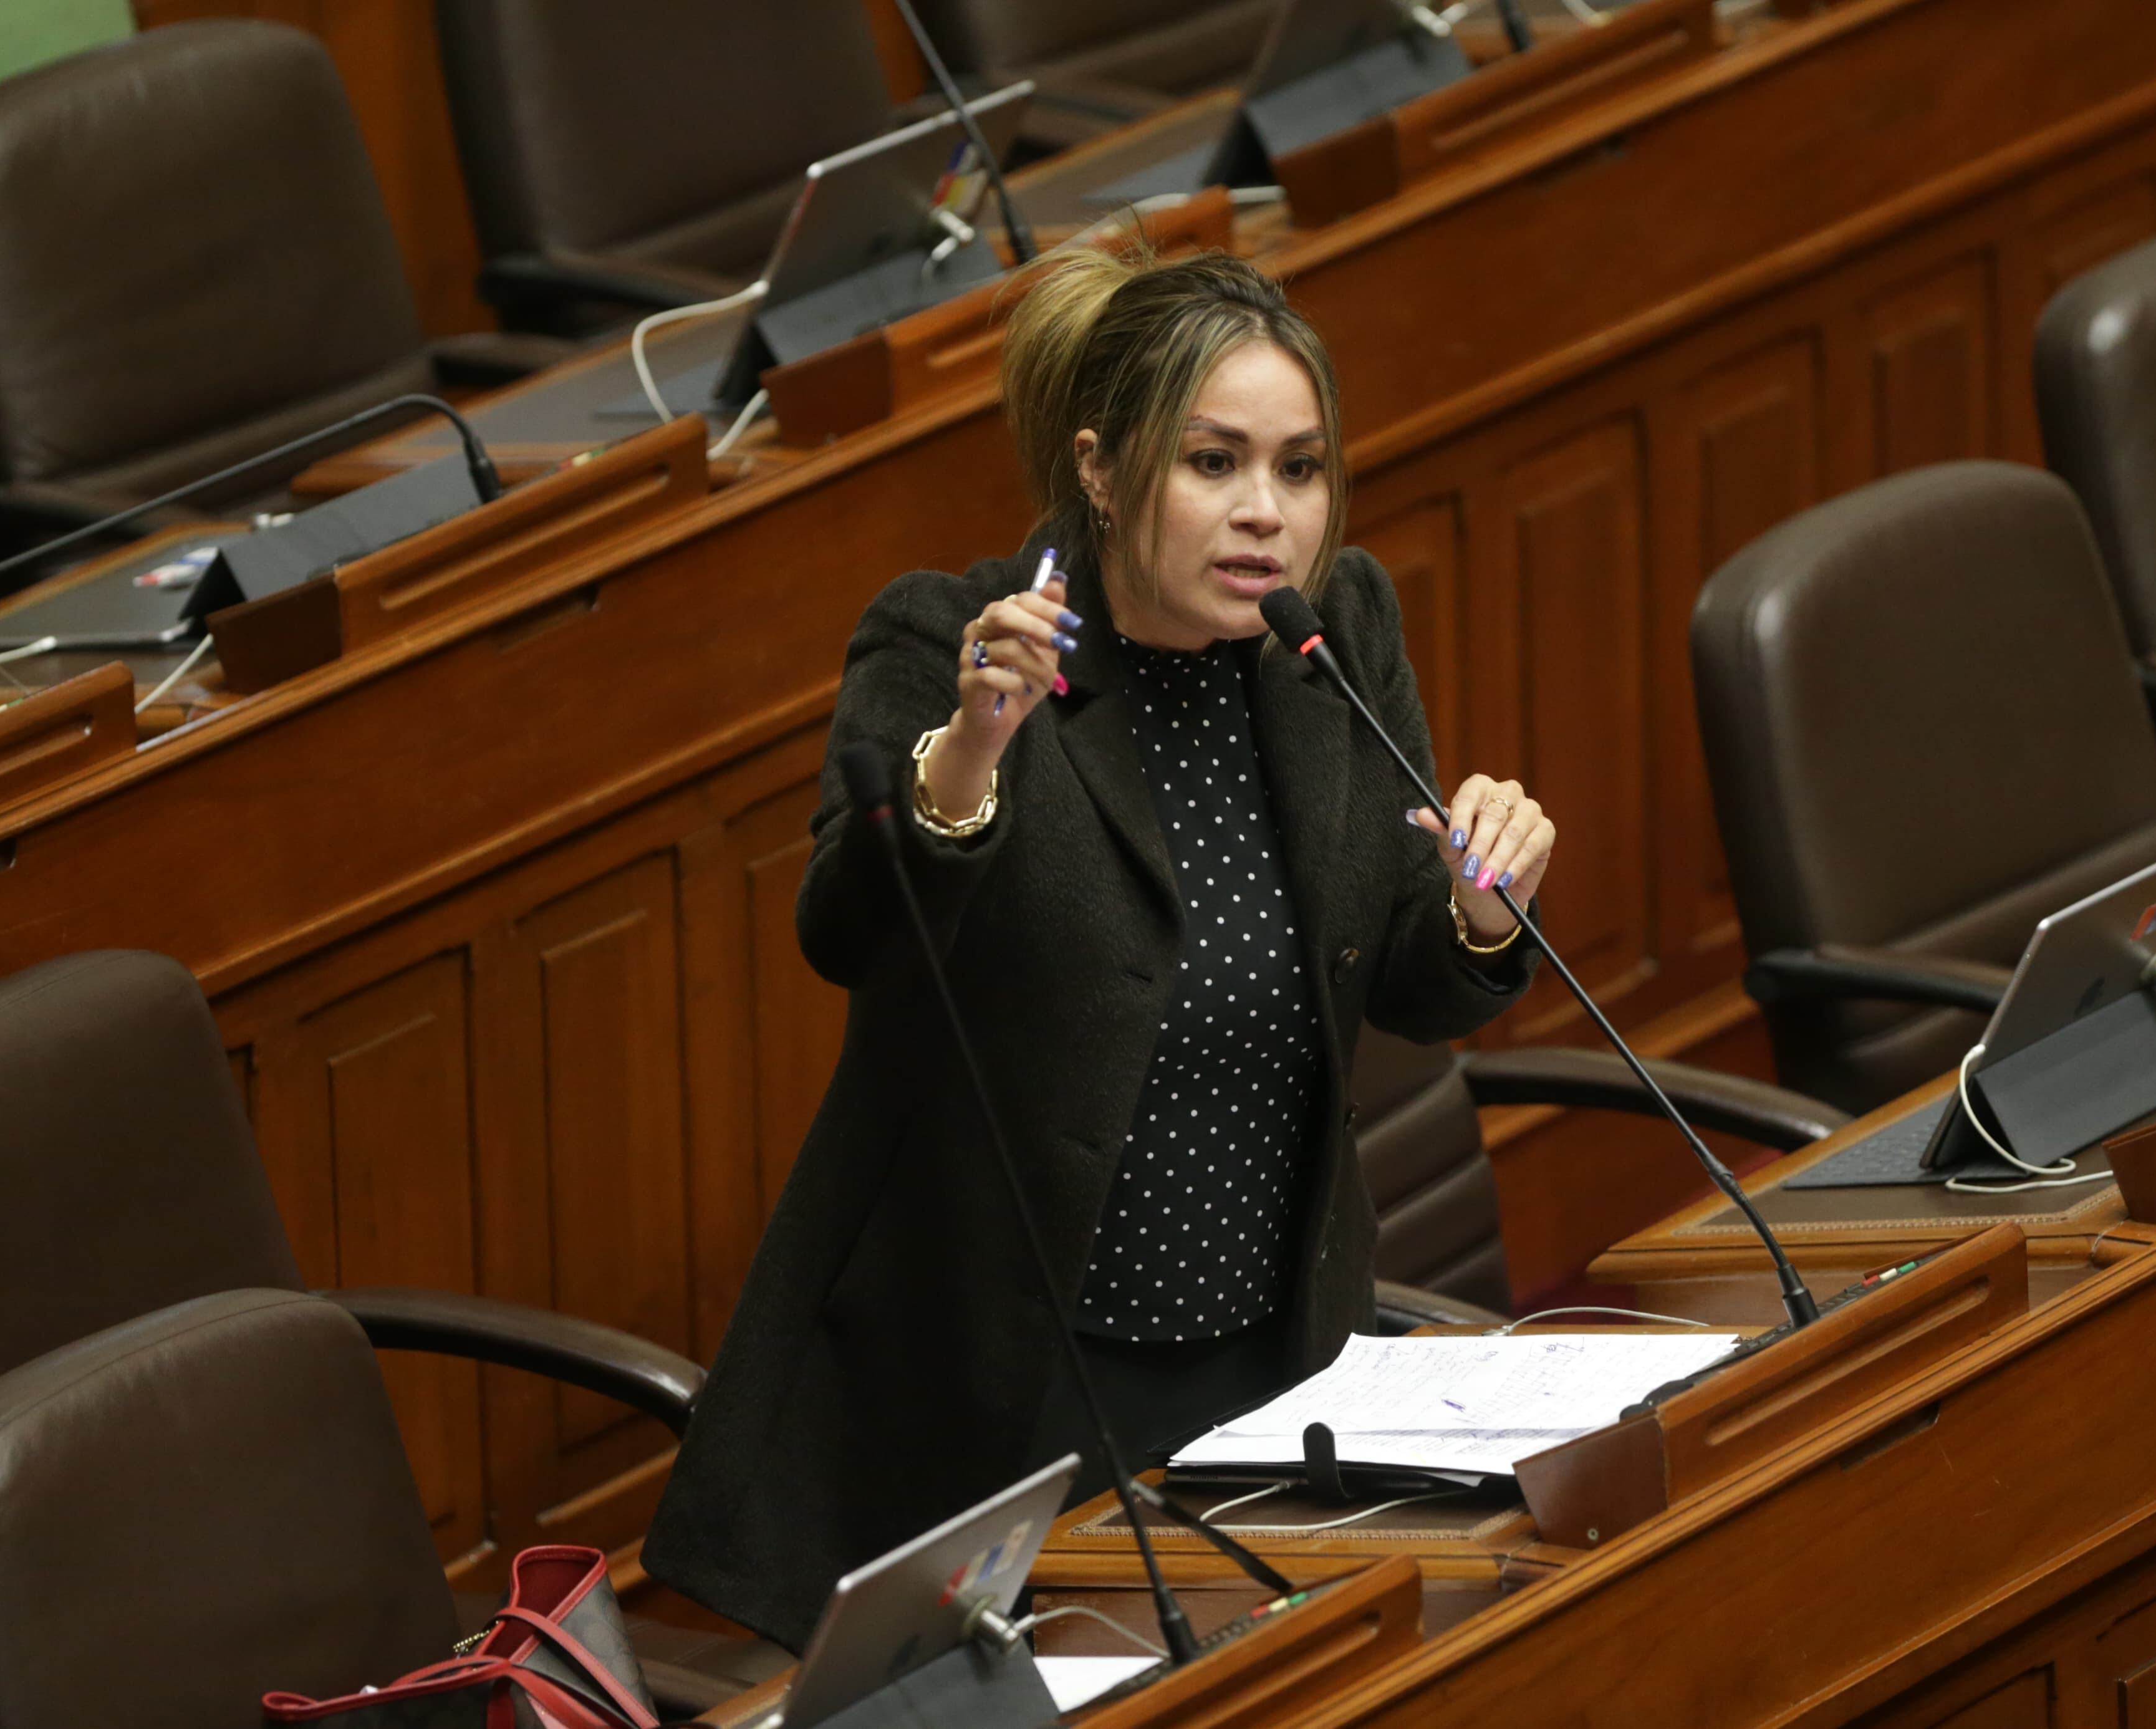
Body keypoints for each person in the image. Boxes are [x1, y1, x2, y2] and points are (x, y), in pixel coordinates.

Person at [645, 247, 1562, 1647]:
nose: (1266, 513)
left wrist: (1480, 908)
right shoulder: (948, 643)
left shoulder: (1334, 637)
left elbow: (1406, 986)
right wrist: (965, 764)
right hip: (1001, 1398)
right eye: (1213, 462)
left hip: (1268, 1359)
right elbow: (851, 936)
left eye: (1300, 468)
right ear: (1103, 464)